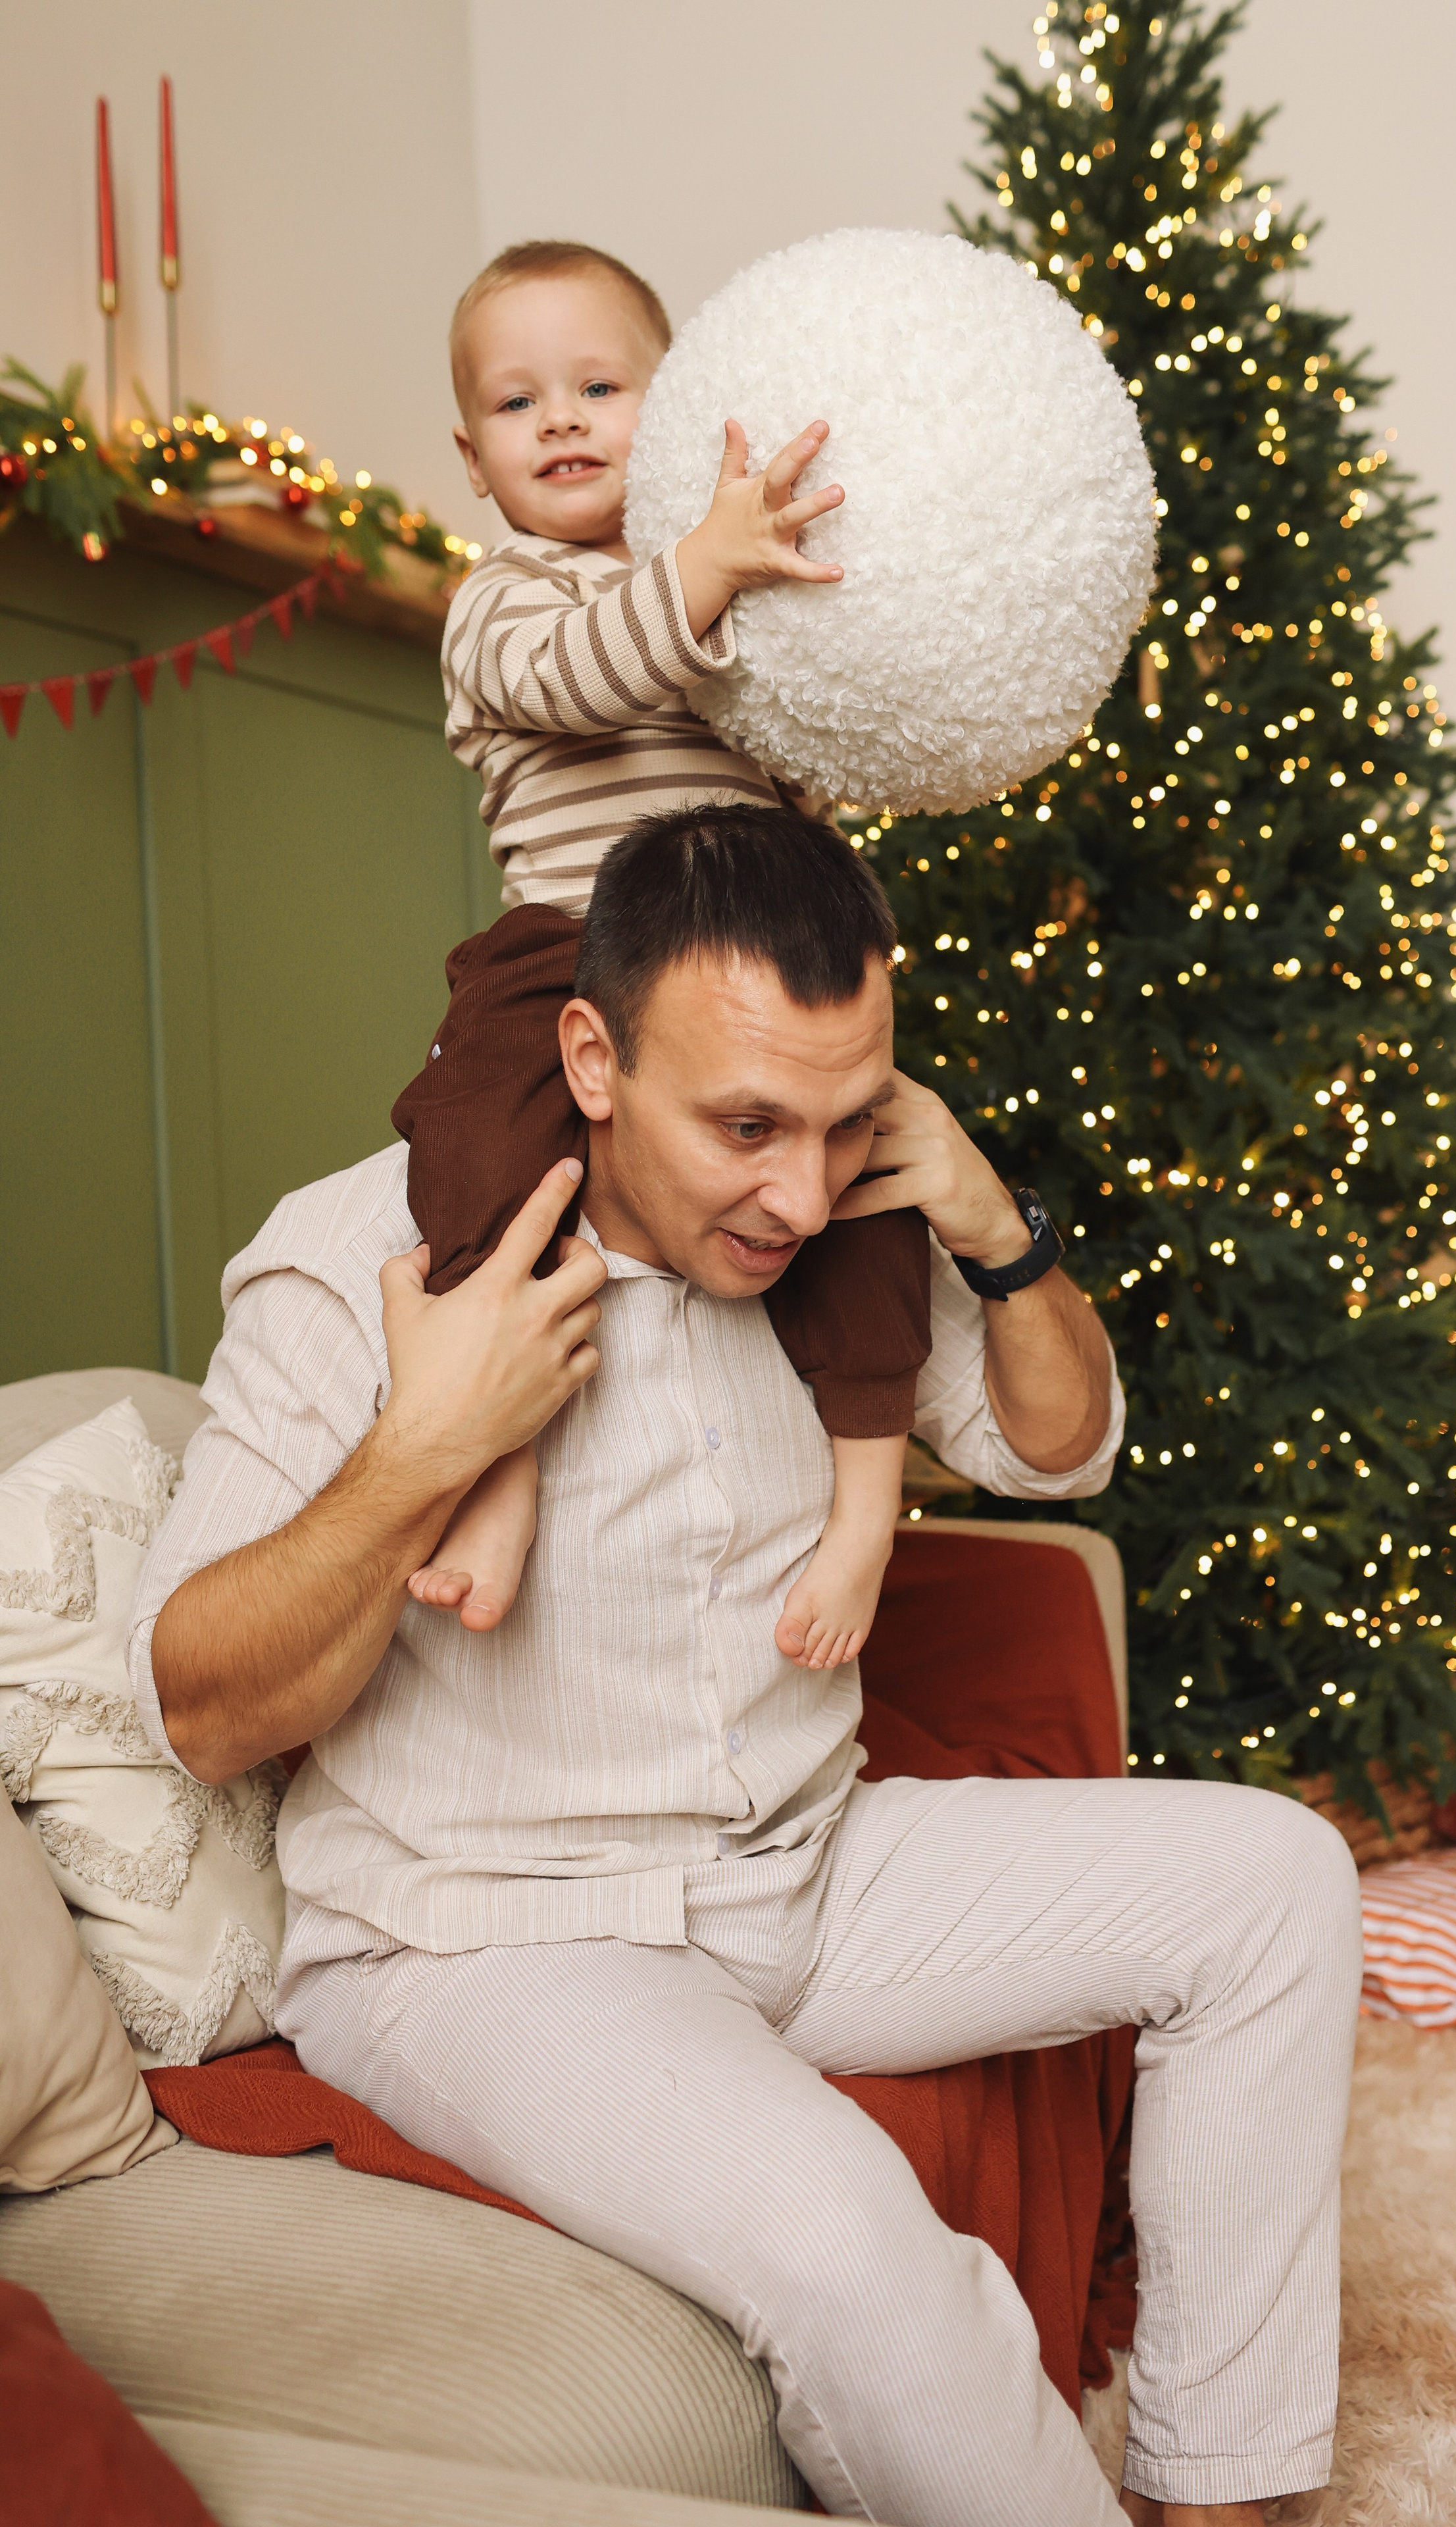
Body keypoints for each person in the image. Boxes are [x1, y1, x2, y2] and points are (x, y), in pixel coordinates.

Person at [132, 806, 1363, 2527]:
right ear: (591, 1055)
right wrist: (429, 1445)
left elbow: (1064, 1444)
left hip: (809, 1866)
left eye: (847, 1120)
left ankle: (1224, 2500)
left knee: (1276, 1882)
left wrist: (994, 1232)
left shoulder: (827, 1225)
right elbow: (199, 1705)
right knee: (866, 2255)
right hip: (493, 1940)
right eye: (746, 1127)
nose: (798, 1187)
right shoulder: (364, 1265)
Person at [395, 236, 927, 1672]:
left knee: (863, 1189)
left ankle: (869, 1497)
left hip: (742, 970)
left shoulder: (723, 599)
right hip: (562, 949)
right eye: (517, 405)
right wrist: (698, 568)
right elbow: (581, 679)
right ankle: (499, 1464)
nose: (559, 420)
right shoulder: (502, 602)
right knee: (466, 1146)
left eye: (597, 385)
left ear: (675, 401)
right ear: (472, 456)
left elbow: (795, 771)